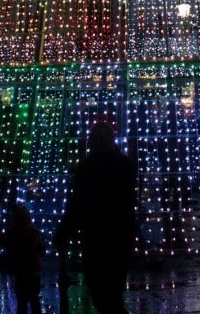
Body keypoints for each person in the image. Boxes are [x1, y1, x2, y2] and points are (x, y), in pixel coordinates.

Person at [54, 121, 136, 313]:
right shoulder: (127, 165)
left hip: (95, 235)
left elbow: (76, 204)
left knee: (100, 291)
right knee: (114, 289)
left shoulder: (86, 167)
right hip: (121, 234)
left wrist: (64, 232)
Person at [0, 203, 44, 314]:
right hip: (34, 270)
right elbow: (41, 249)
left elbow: (6, 244)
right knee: (34, 298)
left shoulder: (12, 233)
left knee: (21, 300)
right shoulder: (34, 233)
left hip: (20, 271)